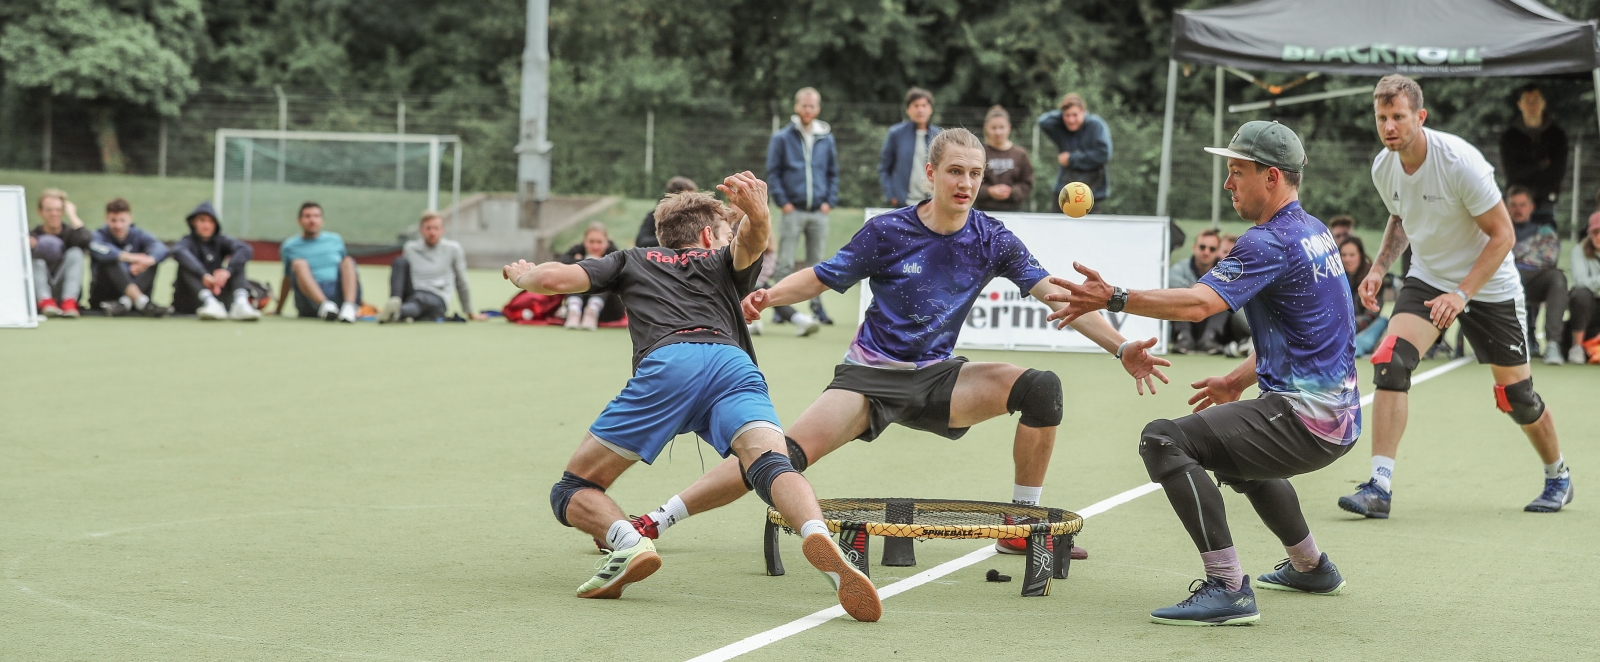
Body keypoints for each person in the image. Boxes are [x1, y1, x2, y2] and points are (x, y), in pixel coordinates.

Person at [627, 129, 1169, 562]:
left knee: (1041, 389)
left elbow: (1059, 295)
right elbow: (822, 275)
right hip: (868, 379)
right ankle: (658, 518)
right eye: (955, 171)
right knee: (778, 456)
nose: (966, 183)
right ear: (931, 173)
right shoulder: (888, 231)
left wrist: (1121, 348)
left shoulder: (991, 236)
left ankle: (1017, 526)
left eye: (975, 174)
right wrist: (769, 297)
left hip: (938, 378)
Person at [500, 172, 883, 622]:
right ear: (707, 235)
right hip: (732, 364)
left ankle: (627, 542)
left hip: (670, 365)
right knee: (773, 465)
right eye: (723, 231)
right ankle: (817, 533)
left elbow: (554, 280)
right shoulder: (721, 262)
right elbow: (753, 241)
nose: (727, 239)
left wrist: (525, 275)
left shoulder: (631, 259)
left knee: (572, 489)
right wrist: (758, 213)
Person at [1048, 120, 1355, 626]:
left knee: (1163, 440)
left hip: (1305, 420)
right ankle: (1311, 567)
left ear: (1272, 177)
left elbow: (1197, 305)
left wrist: (1115, 297)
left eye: (1237, 172)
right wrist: (1237, 380)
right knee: (1237, 458)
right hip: (1335, 417)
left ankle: (1228, 587)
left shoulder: (1268, 242)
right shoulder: (1315, 232)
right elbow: (1315, 335)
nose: (1228, 184)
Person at [1340, 75, 1571, 519]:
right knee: (1390, 360)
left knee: (1516, 397)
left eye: (1398, 117)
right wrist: (1377, 269)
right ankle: (1379, 486)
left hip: (1488, 286)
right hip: (1428, 277)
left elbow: (1503, 236)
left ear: (1420, 117)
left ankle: (1558, 475)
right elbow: (1400, 217)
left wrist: (1463, 294)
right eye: (1382, 118)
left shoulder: (1460, 163)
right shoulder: (1383, 167)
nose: (1389, 127)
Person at [766, 87, 839, 331]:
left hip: (819, 211)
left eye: (812, 106)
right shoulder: (782, 138)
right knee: (785, 262)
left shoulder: (826, 138)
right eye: (804, 105)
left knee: (816, 263)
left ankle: (817, 309)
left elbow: (832, 172)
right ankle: (782, 310)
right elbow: (773, 173)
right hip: (792, 210)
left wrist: (829, 201)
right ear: (797, 107)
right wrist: (783, 202)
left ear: (818, 109)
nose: (808, 110)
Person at [379, 211, 481, 324]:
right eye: (428, 228)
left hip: (437, 296)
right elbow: (403, 277)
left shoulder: (453, 249)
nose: (432, 232)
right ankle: (395, 302)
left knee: (420, 301)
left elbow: (461, 281)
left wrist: (469, 312)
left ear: (442, 230)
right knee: (400, 261)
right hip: (413, 292)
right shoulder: (410, 248)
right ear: (421, 230)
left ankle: (398, 313)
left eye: (436, 228)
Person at [1506, 186, 1568, 364]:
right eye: (1514, 205)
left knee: (1557, 278)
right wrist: (1533, 250)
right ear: (1507, 207)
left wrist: (1514, 253)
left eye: (1523, 205)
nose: (1518, 209)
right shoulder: (1500, 229)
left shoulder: (1545, 231)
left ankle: (1553, 345)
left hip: (1536, 281)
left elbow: (1550, 257)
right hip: (1508, 280)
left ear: (1531, 207)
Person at [171, 201, 260, 321]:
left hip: (219, 294)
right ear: (193, 222)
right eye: (202, 220)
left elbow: (245, 249)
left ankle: (241, 303)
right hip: (191, 300)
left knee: (238, 262)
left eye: (211, 221)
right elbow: (178, 252)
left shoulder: (221, 241)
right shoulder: (186, 242)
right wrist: (204, 275)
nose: (206, 225)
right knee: (186, 267)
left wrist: (226, 272)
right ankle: (209, 302)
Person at [274, 202, 361, 322]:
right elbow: (287, 278)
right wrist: (278, 309)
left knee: (348, 261)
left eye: (316, 216)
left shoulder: (335, 240)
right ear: (299, 221)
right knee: (299, 263)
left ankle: (349, 308)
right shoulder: (289, 246)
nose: (312, 220)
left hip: (338, 292)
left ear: (322, 220)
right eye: (307, 216)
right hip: (309, 300)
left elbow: (349, 273)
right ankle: (325, 306)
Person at [87, 198, 172, 317]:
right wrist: (132, 258)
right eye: (113, 220)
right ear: (106, 219)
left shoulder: (138, 234)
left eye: (122, 220)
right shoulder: (98, 235)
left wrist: (148, 260)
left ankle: (125, 303)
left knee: (151, 260)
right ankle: (142, 302)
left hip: (135, 290)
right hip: (104, 297)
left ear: (130, 219)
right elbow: (97, 248)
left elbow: (161, 248)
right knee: (111, 259)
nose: (118, 225)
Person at [1499, 83, 1567, 227]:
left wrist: (1527, 168)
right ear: (1520, 104)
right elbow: (1512, 173)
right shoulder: (1509, 137)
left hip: (1546, 201)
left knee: (1546, 241)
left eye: (1535, 100)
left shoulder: (1557, 136)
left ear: (1543, 103)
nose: (1532, 105)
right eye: (1527, 101)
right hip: (1517, 202)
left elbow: (1557, 173)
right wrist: (1541, 165)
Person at [1038, 93, 1113, 206]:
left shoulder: (1096, 125)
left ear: (1083, 112)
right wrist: (1062, 112)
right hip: (1064, 192)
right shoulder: (1061, 127)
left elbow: (1104, 155)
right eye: (1067, 115)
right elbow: (1043, 122)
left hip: (1091, 193)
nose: (1071, 120)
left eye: (1075, 115)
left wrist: (1071, 158)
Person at [28, 189, 90, 318]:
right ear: (40, 212)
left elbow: (87, 240)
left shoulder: (71, 233)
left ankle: (69, 302)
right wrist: (27, 246)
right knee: (35, 259)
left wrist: (72, 215)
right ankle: (45, 302)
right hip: (41, 290)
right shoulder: (32, 236)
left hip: (62, 288)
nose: (54, 214)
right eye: (49, 210)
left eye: (58, 210)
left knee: (76, 252)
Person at [1166, 229, 1228, 354]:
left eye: (1212, 249)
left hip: (1214, 319)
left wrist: (1198, 291)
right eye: (1202, 247)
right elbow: (1172, 284)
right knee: (1180, 297)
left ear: (1217, 252)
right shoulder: (1180, 268)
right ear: (1194, 247)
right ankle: (1183, 338)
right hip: (1186, 318)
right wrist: (1206, 293)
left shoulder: (1226, 270)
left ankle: (1209, 339)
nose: (1206, 252)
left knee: (1227, 299)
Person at [878, 87, 941, 207]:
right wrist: (891, 195)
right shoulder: (896, 134)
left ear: (930, 109)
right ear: (908, 109)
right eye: (916, 105)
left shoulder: (939, 136)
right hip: (902, 203)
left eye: (924, 105)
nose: (920, 110)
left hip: (930, 203)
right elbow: (885, 168)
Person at [554, 222, 623, 330]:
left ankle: (592, 311)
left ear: (607, 242)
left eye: (599, 242)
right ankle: (574, 311)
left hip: (608, 310)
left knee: (606, 275)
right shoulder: (576, 250)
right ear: (584, 242)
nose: (595, 246)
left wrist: (585, 262)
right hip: (581, 302)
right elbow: (562, 264)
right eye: (591, 242)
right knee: (575, 274)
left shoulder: (615, 254)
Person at [974, 106, 1033, 212]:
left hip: (1014, 211)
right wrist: (990, 191)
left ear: (1009, 128)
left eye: (1002, 127)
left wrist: (1011, 192)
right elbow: (971, 180)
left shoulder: (1020, 154)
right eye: (993, 128)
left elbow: (1027, 183)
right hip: (984, 211)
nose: (998, 132)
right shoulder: (979, 153)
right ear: (986, 128)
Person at [1341, 236, 1391, 356]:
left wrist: (1349, 326)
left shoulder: (1371, 279)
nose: (1347, 259)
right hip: (1341, 327)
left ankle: (1354, 347)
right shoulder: (1334, 278)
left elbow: (1371, 313)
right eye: (1343, 255)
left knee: (1382, 322)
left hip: (1362, 326)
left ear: (1361, 256)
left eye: (1352, 255)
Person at [1565, 212, 1600, 363]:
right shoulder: (1579, 250)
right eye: (1595, 232)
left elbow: (1587, 281)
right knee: (1580, 294)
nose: (1599, 237)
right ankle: (1577, 347)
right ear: (1589, 233)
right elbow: (1579, 281)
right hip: (1588, 310)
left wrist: (1593, 283)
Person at [634, 177, 697, 249]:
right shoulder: (655, 216)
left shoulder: (696, 217)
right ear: (674, 196)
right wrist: (672, 241)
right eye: (689, 198)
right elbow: (641, 242)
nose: (693, 202)